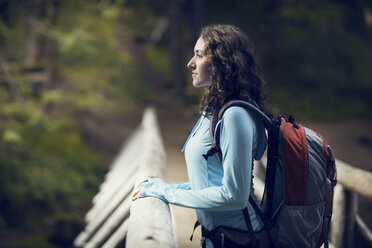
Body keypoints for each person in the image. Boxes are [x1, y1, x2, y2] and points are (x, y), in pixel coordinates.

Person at [132, 24, 270, 248]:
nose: (190, 63)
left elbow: (235, 195)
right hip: (219, 237)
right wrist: (165, 188)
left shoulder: (235, 115)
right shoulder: (216, 110)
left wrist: (166, 192)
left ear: (222, 62)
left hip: (240, 239)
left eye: (199, 55)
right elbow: (208, 182)